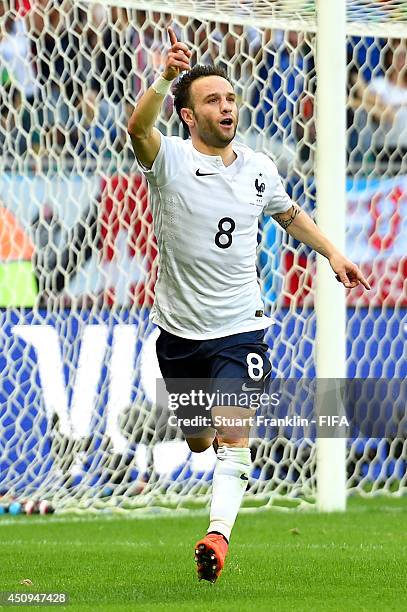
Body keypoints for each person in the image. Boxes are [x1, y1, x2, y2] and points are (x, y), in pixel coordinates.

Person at [127, 27, 370, 583]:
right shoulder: (169, 161)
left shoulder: (259, 167)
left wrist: (333, 251)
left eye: (230, 98)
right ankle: (201, 436)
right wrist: (166, 77)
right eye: (212, 99)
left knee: (235, 436)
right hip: (180, 334)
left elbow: (288, 214)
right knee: (197, 438)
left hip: (242, 328)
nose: (226, 106)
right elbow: (138, 126)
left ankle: (217, 536)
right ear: (188, 115)